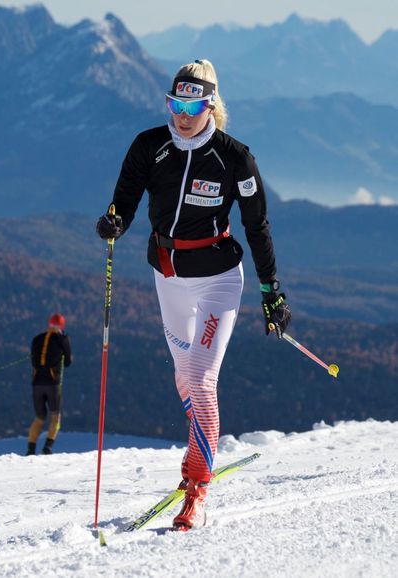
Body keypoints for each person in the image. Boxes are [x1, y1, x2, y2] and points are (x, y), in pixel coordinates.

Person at [95, 59, 291, 531]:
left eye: (193, 105)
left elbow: (257, 226)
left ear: (211, 106)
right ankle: (203, 442)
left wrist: (271, 293)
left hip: (219, 279)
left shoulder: (234, 157)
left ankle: (196, 487)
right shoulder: (149, 145)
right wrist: (114, 221)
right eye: (175, 103)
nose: (182, 115)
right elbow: (124, 197)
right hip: (168, 276)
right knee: (185, 380)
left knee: (202, 381)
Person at [26, 313, 72, 455]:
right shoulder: (62, 339)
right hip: (52, 383)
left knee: (39, 417)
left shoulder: (37, 339)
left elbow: (33, 359)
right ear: (61, 326)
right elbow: (68, 362)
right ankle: (48, 447)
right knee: (55, 416)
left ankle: (31, 449)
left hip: (37, 383)